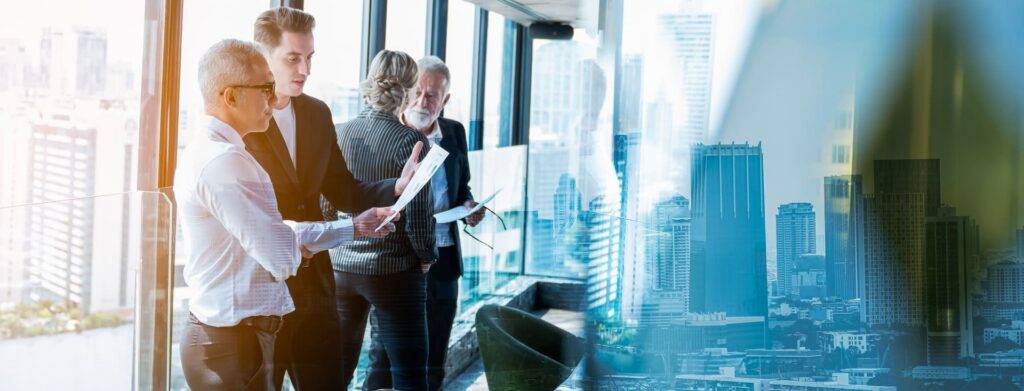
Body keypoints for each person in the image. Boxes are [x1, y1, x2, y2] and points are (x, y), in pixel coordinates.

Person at [175, 39, 394, 391]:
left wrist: (354, 227)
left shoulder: (217, 151)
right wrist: (298, 242)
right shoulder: (226, 161)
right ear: (230, 97)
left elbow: (274, 233)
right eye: (265, 88)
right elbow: (279, 255)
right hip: (232, 346)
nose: (274, 98)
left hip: (232, 340)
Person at [249, 8, 423, 389]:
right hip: (263, 291)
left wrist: (395, 187)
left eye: (309, 57)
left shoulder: (316, 113)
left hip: (316, 289)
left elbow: (343, 189)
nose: (305, 69)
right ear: (263, 57)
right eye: (293, 58)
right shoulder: (244, 121)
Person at [364, 55, 485, 391]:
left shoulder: (455, 132)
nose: (422, 101)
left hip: (443, 258)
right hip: (399, 261)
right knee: (383, 357)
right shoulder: (389, 133)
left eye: (432, 96)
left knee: (434, 355)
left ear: (445, 99)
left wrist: (468, 205)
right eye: (417, 92)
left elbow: (461, 187)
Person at [326, 49, 436, 391]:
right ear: (409, 90)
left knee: (337, 371)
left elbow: (326, 205)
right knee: (409, 375)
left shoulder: (339, 133)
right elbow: (419, 213)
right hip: (394, 270)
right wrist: (426, 255)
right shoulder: (411, 140)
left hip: (341, 267)